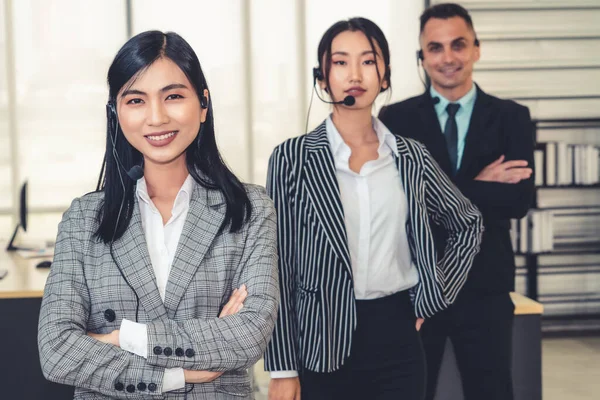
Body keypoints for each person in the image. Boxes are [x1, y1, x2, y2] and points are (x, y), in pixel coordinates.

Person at [38, 30, 279, 400]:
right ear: (115, 113)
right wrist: (181, 373)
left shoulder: (250, 209)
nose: (156, 116)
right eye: (136, 99)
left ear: (202, 105)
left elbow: (250, 335)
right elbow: (56, 351)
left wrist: (123, 337)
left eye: (174, 96)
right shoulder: (83, 219)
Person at [264, 17, 483, 400]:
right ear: (322, 77)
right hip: (322, 341)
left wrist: (433, 293)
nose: (355, 74)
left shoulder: (410, 156)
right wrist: (283, 368)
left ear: (384, 76)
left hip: (398, 337)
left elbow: (467, 222)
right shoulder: (292, 158)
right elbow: (279, 264)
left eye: (368, 61)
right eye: (340, 61)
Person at [379, 4, 535, 400]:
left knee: (493, 391)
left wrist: (437, 189)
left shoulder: (512, 117)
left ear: (476, 49)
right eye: (435, 47)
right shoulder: (394, 119)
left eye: (458, 45)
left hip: (487, 286)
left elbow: (517, 200)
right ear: (421, 56)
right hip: (418, 284)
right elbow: (398, 201)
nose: (447, 58)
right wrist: (479, 183)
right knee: (412, 391)